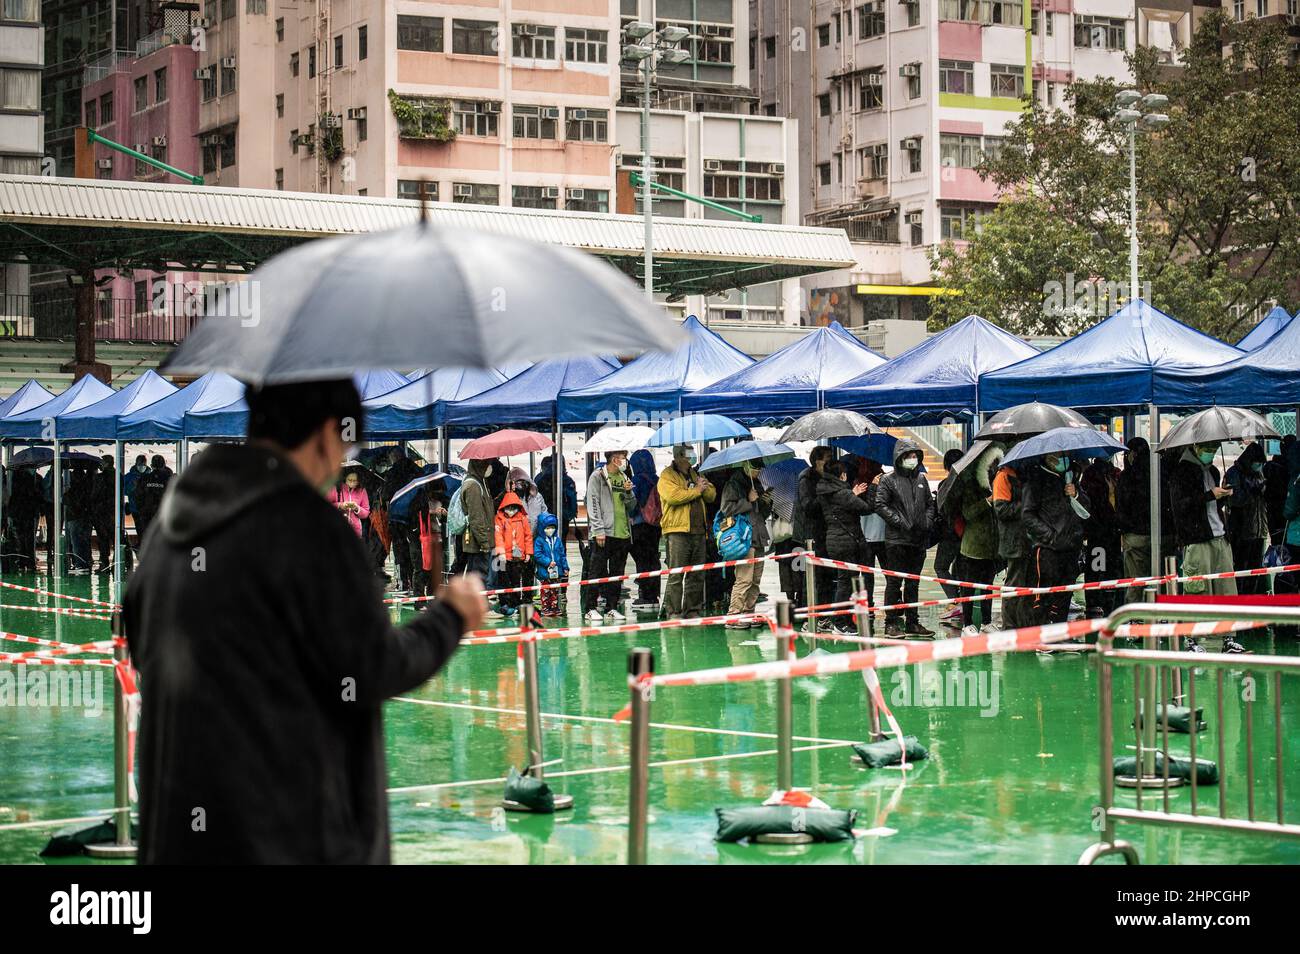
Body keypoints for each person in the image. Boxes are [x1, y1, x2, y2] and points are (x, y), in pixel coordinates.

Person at [123, 378, 485, 864]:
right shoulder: (308, 529)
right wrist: (449, 618)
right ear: (326, 434)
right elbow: (368, 668)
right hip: (287, 835)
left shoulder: (170, 531)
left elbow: (142, 637)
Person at [873, 439, 937, 637]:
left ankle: (912, 622)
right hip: (896, 541)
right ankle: (891, 623)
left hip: (918, 541)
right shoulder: (888, 480)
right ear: (899, 458)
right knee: (894, 583)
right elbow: (880, 505)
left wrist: (926, 522)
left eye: (915, 455)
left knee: (913, 583)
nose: (913, 458)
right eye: (909, 455)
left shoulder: (921, 480)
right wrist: (900, 521)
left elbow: (930, 504)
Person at [1022, 451, 1090, 625]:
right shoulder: (1036, 480)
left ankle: (1059, 633)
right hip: (1047, 549)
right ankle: (1041, 633)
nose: (1062, 459)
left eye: (1064, 455)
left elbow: (1086, 509)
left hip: (1071, 546)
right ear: (1047, 457)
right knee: (1043, 594)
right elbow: (1028, 515)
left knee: (1065, 594)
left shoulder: (1070, 478)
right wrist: (1050, 536)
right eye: (1058, 455)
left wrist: (1075, 494)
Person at [1169, 442, 1237, 596]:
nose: (1211, 453)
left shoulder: (1212, 471)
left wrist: (1223, 496)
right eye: (1208, 449)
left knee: (1227, 592)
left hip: (1220, 537)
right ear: (1196, 447)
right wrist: (1209, 495)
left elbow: (1212, 507)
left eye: (1215, 449)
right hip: (1197, 541)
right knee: (1201, 594)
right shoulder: (1181, 472)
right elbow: (1180, 506)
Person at [815, 460, 874, 634]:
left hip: (834, 540)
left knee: (845, 581)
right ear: (842, 475)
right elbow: (867, 508)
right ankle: (840, 622)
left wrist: (852, 494)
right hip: (847, 541)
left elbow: (844, 505)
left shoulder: (826, 490)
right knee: (845, 583)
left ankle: (844, 620)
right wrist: (873, 488)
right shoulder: (842, 493)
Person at [657, 444, 715, 619]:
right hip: (677, 531)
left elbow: (711, 495)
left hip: (699, 531)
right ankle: (673, 611)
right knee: (676, 574)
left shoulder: (695, 473)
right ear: (679, 456)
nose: (693, 456)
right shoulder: (667, 476)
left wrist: (703, 488)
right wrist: (697, 490)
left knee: (696, 575)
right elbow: (674, 497)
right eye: (690, 453)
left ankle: (692, 610)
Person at [950, 443, 1002, 634]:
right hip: (972, 549)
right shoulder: (972, 487)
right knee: (969, 589)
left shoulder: (997, 485)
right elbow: (968, 513)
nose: (996, 468)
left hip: (991, 548)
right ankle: (967, 624)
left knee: (988, 588)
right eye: (993, 465)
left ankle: (987, 622)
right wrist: (987, 502)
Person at [719, 457, 772, 629]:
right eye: (755, 469)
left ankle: (749, 612)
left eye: (759, 470)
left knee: (755, 579)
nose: (758, 472)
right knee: (744, 578)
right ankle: (734, 614)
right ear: (746, 466)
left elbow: (761, 513)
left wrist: (765, 502)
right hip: (743, 537)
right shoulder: (733, 484)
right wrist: (748, 501)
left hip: (758, 535)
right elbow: (726, 510)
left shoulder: (757, 484)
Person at [583, 450, 635, 621]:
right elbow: (593, 504)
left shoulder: (624, 478)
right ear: (614, 459)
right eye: (622, 457)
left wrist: (628, 492)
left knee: (617, 573)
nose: (624, 461)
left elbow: (632, 506)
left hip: (622, 534)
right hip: (604, 533)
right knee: (596, 570)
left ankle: (611, 607)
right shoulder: (597, 477)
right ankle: (590, 608)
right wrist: (598, 530)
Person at [1223, 442, 1269, 596]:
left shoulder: (1259, 473)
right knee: (1241, 568)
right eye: (1257, 463)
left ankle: (1253, 597)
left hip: (1259, 529)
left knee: (1255, 569)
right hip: (1240, 530)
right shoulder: (1234, 473)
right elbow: (1233, 500)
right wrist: (1251, 493)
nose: (1259, 466)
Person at [1080, 455, 1123, 618]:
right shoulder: (1095, 475)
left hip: (1104, 531)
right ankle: (1097, 601)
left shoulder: (1110, 474)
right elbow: (1092, 504)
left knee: (1102, 567)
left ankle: (1101, 600)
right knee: (1100, 567)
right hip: (1101, 531)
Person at [793, 446, 834, 613]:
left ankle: (823, 610)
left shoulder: (827, 478)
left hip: (825, 531)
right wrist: (824, 496)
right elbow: (808, 506)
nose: (831, 462)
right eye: (828, 459)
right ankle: (806, 611)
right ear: (818, 462)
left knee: (825, 574)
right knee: (810, 576)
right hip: (809, 534)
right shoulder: (806, 479)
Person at [992, 459, 1031, 630]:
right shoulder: (1003, 476)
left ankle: (1023, 623)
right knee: (1014, 584)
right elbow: (1001, 510)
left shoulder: (1024, 476)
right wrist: (1026, 505)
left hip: (1028, 539)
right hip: (1013, 540)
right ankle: (1010, 625)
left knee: (1026, 585)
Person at [933, 448, 967, 626]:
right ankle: (961, 602)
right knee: (959, 569)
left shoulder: (945, 485)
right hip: (966, 534)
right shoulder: (969, 482)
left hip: (949, 534)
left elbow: (943, 510)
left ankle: (956, 601)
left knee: (940, 567)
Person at [382, 448, 422, 593]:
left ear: (393, 457)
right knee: (414, 550)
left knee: (400, 551)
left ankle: (403, 583)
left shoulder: (392, 473)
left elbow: (386, 494)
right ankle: (414, 582)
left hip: (397, 516)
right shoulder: (416, 470)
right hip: (413, 515)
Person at [627, 449, 662, 610]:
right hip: (655, 525)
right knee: (654, 558)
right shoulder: (657, 479)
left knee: (642, 560)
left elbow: (632, 506)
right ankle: (654, 595)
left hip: (640, 525)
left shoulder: (636, 480)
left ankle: (645, 596)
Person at [450, 459, 494, 582]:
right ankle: (477, 600)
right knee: (478, 577)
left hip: (477, 541)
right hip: (476, 543)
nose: (489, 467)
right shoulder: (473, 486)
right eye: (487, 464)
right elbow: (476, 517)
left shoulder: (480, 483)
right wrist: (484, 542)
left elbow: (486, 509)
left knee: (476, 575)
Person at [493, 490, 533, 618]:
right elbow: (498, 536)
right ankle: (504, 603)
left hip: (518, 557)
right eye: (508, 508)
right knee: (503, 580)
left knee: (516, 581)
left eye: (513, 508)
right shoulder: (499, 519)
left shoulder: (523, 519)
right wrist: (501, 553)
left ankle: (515, 604)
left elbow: (528, 536)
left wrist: (528, 553)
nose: (511, 510)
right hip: (504, 557)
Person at [535, 453, 577, 543]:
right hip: (563, 516)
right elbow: (572, 499)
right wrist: (571, 514)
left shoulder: (540, 478)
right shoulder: (566, 480)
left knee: (545, 542)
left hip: (545, 516)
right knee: (561, 542)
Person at [533, 512, 568, 617]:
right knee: (545, 590)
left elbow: (562, 554)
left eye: (552, 527)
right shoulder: (539, 541)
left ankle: (554, 607)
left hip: (556, 572)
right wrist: (548, 562)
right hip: (544, 571)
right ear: (542, 528)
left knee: (555, 590)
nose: (550, 530)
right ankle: (545, 608)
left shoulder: (557, 540)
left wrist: (565, 567)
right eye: (547, 528)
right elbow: (537, 555)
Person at [133, 454, 173, 545]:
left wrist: (141, 510)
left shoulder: (144, 478)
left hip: (147, 514)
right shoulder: (168, 479)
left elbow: (137, 496)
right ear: (164, 465)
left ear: (151, 465)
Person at [7, 463, 40, 571]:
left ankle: (21, 562)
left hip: (17, 513)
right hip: (28, 513)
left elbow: (12, 498)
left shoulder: (14, 480)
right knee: (29, 539)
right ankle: (29, 563)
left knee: (19, 540)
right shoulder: (31, 481)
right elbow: (34, 496)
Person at [63, 463, 93, 574]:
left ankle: (80, 564)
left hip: (75, 517)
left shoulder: (75, 488)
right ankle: (85, 562)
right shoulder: (88, 486)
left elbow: (70, 500)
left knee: (76, 542)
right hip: (85, 517)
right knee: (85, 541)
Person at [1263, 436, 1293, 545]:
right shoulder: (1291, 467)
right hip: (1283, 511)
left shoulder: (1270, 466)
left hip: (1273, 511)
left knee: (1278, 544)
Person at [90, 454, 116, 571]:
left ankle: (104, 563)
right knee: (115, 537)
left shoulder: (100, 478)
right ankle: (117, 562)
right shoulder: (118, 476)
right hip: (114, 511)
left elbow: (94, 494)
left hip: (101, 512)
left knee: (103, 538)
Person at [332, 468, 370, 537]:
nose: (352, 483)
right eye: (349, 480)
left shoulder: (362, 490)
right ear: (345, 478)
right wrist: (340, 505)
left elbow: (366, 513)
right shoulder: (336, 488)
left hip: (355, 532)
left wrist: (356, 508)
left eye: (355, 481)